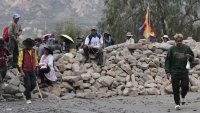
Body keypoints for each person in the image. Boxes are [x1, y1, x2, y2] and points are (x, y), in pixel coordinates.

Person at [165, 33, 194, 110]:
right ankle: (177, 103)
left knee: (185, 86)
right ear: (175, 41)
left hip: (184, 71)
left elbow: (192, 58)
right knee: (175, 88)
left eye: (180, 41)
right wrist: (167, 71)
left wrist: (190, 56)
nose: (179, 42)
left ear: (182, 40)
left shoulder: (186, 48)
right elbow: (167, 61)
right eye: (177, 41)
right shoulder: (171, 49)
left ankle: (183, 95)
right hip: (174, 72)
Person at [18, 38, 38, 104]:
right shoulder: (22, 51)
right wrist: (21, 71)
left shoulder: (33, 51)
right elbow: (19, 62)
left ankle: (26, 93)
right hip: (25, 70)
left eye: (30, 46)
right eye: (28, 46)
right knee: (28, 85)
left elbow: (35, 59)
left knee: (34, 84)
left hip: (32, 70)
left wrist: (36, 67)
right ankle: (28, 99)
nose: (29, 47)